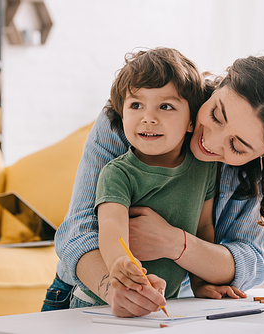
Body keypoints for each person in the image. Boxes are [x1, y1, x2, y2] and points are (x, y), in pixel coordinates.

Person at [43, 52, 264, 318]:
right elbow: (78, 233)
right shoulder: (134, 118)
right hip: (84, 294)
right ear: (219, 86)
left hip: (180, 306)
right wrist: (114, 289)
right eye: (216, 114)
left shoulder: (258, 170)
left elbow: (249, 263)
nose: (211, 142)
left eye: (238, 147)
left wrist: (174, 243)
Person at [80, 47, 218, 310]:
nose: (148, 118)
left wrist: (201, 282)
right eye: (136, 105)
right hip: (101, 303)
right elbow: (111, 227)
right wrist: (120, 264)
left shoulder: (204, 169)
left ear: (192, 121)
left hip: (164, 302)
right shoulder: (117, 173)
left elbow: (204, 230)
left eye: (165, 106)